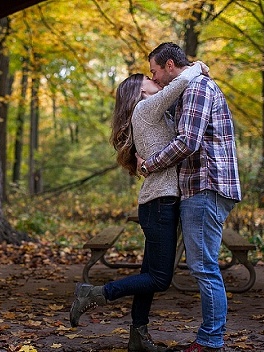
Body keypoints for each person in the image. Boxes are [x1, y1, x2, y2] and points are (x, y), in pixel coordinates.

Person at [69, 60, 208, 352]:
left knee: (149, 272)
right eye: (150, 80)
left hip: (160, 200)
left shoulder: (153, 113)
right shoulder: (145, 109)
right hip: (161, 201)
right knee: (159, 278)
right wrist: (197, 67)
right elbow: (180, 83)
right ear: (139, 92)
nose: (157, 82)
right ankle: (95, 292)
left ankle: (138, 336)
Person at [136, 42, 242, 352]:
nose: (154, 79)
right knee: (203, 265)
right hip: (202, 186)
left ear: (170, 65)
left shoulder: (196, 88)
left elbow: (187, 142)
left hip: (205, 186)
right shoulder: (190, 88)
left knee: (204, 267)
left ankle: (210, 341)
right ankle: (211, 338)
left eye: (155, 71)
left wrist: (149, 166)